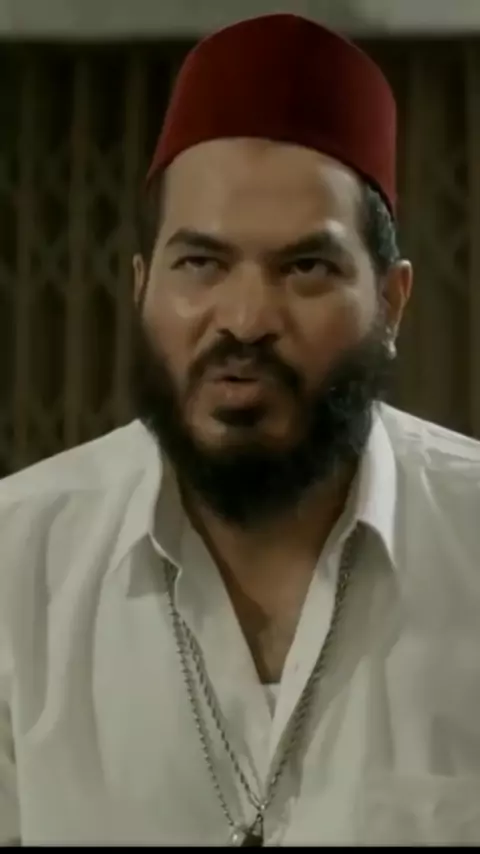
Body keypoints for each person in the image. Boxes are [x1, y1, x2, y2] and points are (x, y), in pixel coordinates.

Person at [1, 12, 480, 847]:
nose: (246, 319)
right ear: (141, 288)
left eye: (306, 267)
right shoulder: (17, 567)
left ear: (391, 302)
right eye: (202, 264)